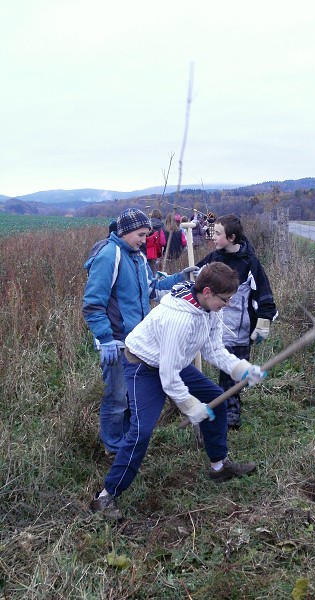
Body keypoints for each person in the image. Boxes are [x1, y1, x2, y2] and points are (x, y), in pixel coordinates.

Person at [90, 262, 266, 520]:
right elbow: (168, 376)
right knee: (142, 431)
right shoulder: (179, 319)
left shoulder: (209, 310)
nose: (227, 305)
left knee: (215, 398)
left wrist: (242, 369)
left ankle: (219, 465)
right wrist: (190, 406)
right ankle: (106, 496)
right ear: (207, 292)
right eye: (224, 300)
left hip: (172, 361)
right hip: (144, 365)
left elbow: (214, 350)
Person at [83, 208, 198, 465]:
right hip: (115, 342)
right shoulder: (109, 256)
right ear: (124, 232)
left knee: (130, 396)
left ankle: (125, 439)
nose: (144, 240)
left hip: (138, 343)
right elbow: (93, 303)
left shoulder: (137, 258)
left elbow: (151, 290)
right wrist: (105, 338)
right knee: (116, 397)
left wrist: (181, 278)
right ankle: (113, 448)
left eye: (147, 235)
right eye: (140, 234)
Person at [196, 214, 277, 429]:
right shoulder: (214, 258)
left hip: (239, 329)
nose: (213, 236)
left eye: (218, 233)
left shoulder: (250, 263)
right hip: (216, 326)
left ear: (231, 238)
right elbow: (196, 279)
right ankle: (213, 406)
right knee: (224, 369)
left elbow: (264, 292)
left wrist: (264, 320)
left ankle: (231, 412)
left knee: (233, 376)